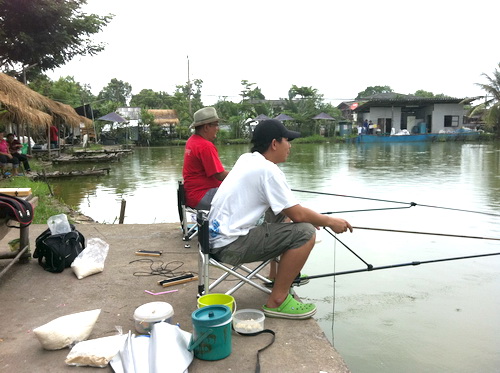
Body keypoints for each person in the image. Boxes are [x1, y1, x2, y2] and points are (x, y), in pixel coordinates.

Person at [208, 119, 353, 319]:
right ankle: (277, 300)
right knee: (305, 233)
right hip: (230, 248)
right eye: (287, 140)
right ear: (274, 144)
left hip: (213, 241)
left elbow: (290, 210)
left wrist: (310, 218)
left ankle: (276, 277)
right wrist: (328, 221)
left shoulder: (247, 159)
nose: (290, 146)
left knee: (283, 213)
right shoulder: (268, 170)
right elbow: (299, 214)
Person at [182, 107, 228, 210]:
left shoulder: (192, 141)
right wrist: (242, 175)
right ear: (206, 127)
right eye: (216, 125)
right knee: (243, 196)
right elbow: (220, 175)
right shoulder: (205, 146)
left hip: (192, 195)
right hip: (201, 195)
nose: (218, 128)